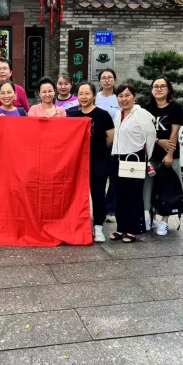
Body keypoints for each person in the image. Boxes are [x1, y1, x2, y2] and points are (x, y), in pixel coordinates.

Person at [68, 81, 114, 243]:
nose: (84, 96)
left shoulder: (103, 115)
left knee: (98, 193)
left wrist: (97, 148)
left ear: (94, 96)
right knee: (76, 194)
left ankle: (98, 226)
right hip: (78, 163)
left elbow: (110, 138)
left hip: (99, 161)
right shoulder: (73, 117)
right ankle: (78, 225)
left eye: (87, 93)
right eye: (81, 93)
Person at [111, 83, 156, 243]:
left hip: (134, 158)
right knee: (120, 194)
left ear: (135, 97)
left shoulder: (142, 114)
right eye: (120, 96)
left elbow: (150, 137)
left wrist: (145, 157)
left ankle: (134, 229)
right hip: (117, 157)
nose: (124, 99)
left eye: (127, 95)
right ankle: (121, 227)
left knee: (134, 195)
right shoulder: (118, 114)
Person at [143, 77, 183, 236]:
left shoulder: (175, 107)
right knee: (150, 187)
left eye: (162, 86)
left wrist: (169, 154)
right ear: (152, 90)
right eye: (156, 86)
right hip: (151, 154)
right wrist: (158, 141)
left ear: (168, 89)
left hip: (169, 154)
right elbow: (143, 131)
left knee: (168, 187)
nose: (159, 89)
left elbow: (174, 132)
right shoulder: (146, 108)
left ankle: (164, 221)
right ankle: (151, 218)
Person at [95, 68, 120, 223]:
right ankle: (99, 207)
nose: (107, 80)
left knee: (114, 175)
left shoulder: (119, 98)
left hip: (115, 143)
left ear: (114, 80)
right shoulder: (95, 97)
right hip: (97, 143)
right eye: (103, 78)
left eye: (110, 77)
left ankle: (111, 208)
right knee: (99, 177)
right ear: (100, 81)